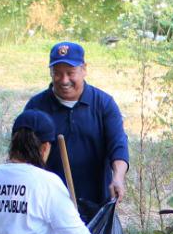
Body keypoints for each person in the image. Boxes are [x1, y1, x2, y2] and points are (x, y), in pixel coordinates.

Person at [22, 42, 129, 219]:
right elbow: (22, 154)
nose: (64, 80)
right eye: (57, 73)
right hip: (47, 205)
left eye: (70, 73)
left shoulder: (104, 104)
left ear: (84, 69)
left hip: (95, 204)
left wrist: (118, 177)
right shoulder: (36, 107)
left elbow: (118, 144)